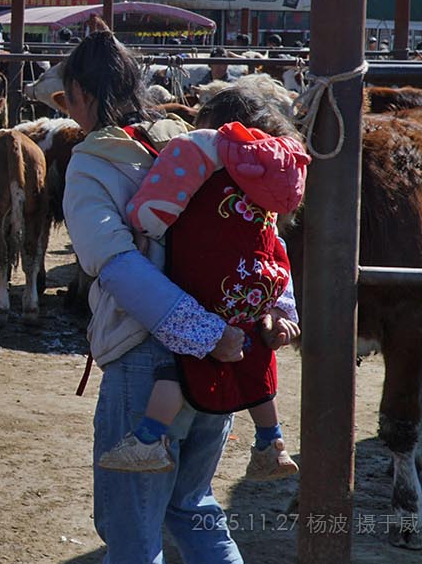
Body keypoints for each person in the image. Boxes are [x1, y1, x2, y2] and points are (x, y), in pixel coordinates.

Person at [61, 23, 274, 564]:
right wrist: (227, 331)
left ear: (82, 94)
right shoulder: (192, 145)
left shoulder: (92, 162)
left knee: (131, 538)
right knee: (194, 507)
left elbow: (113, 262)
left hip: (147, 363)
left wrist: (199, 332)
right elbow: (255, 235)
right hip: (220, 364)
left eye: (68, 98)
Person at [98, 87, 306, 482]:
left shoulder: (204, 152)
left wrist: (142, 224)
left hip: (211, 288)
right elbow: (275, 242)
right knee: (257, 359)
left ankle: (149, 439)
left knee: (179, 362)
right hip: (256, 288)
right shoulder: (270, 177)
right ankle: (271, 442)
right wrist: (281, 307)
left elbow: (152, 212)